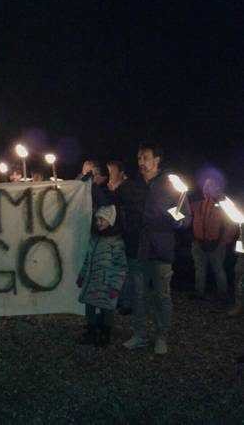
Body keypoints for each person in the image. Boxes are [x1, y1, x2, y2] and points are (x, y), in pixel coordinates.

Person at [123, 143, 191, 355]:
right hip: (137, 249)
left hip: (161, 249)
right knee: (139, 294)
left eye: (144, 157)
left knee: (162, 295)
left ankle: (162, 337)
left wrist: (177, 220)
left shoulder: (171, 185)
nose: (141, 162)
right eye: (139, 158)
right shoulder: (133, 186)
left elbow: (186, 218)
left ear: (157, 160)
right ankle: (140, 335)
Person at [77, 205, 127, 347]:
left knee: (107, 308)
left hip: (107, 282)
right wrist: (82, 276)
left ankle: (105, 334)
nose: (98, 222)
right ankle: (91, 332)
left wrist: (115, 286)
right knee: (90, 307)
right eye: (97, 219)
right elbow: (88, 259)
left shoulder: (116, 242)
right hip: (92, 280)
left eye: (102, 219)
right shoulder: (94, 238)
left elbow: (120, 266)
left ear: (110, 221)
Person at [189, 178, 235, 301]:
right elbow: (186, 212)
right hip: (198, 242)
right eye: (205, 185)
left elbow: (231, 224)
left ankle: (223, 294)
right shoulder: (198, 201)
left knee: (218, 269)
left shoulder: (224, 203)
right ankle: (199, 292)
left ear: (218, 187)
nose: (206, 187)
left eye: (210, 185)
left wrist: (224, 240)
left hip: (217, 244)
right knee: (200, 269)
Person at [108, 160, 144, 315]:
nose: (110, 176)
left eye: (112, 172)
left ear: (121, 173)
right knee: (126, 271)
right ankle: (125, 302)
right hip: (129, 237)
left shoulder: (126, 189)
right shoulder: (124, 188)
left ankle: (127, 304)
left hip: (131, 238)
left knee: (129, 271)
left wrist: (113, 192)